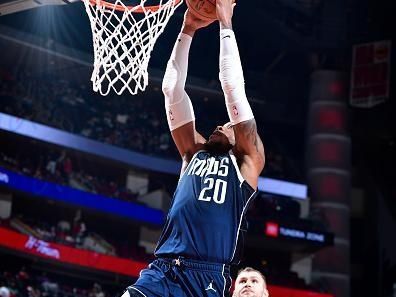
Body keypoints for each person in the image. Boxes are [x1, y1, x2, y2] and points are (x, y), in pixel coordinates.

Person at [122, 0, 265, 296]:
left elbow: (232, 87)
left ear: (240, 135)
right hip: (162, 269)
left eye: (226, 125)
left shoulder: (248, 162)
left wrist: (226, 23)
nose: (217, 126)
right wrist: (187, 29)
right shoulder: (193, 152)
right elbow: (172, 90)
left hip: (208, 276)